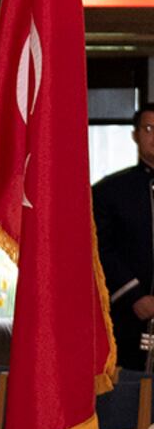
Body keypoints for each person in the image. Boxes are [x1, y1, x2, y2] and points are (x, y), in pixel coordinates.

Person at [91, 103, 154, 372]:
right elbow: (99, 249)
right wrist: (135, 296)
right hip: (126, 318)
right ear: (136, 135)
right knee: (128, 402)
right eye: (149, 128)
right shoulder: (110, 191)